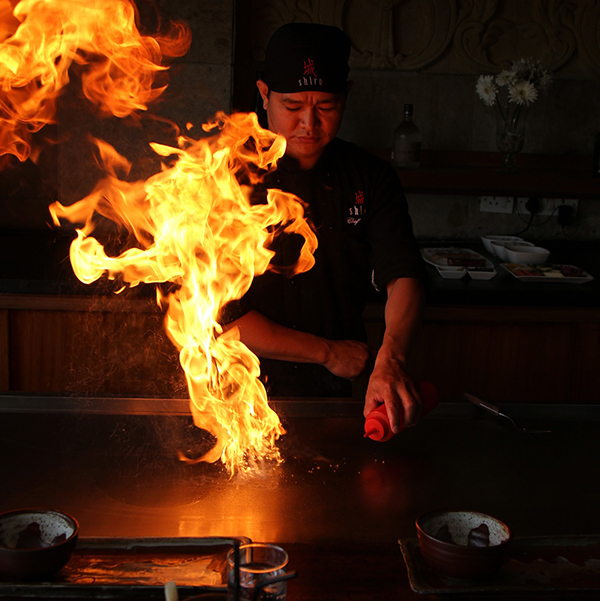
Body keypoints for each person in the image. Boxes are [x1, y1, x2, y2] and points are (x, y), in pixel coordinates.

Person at [224, 22, 427, 432]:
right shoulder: (227, 177)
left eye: (327, 107)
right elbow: (225, 319)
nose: (309, 124)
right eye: (293, 106)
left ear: (347, 96)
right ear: (264, 95)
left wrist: (391, 358)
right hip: (236, 389)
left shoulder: (370, 178)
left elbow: (402, 272)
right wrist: (327, 352)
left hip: (333, 395)